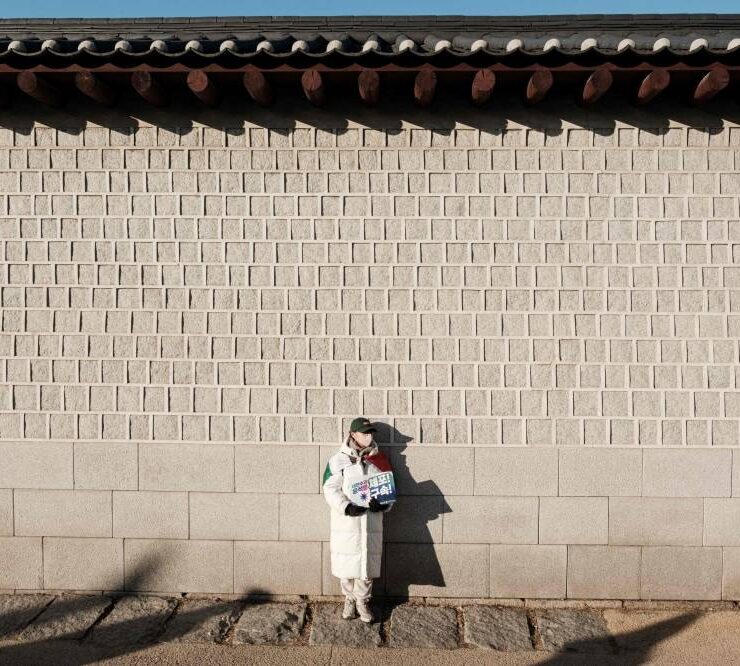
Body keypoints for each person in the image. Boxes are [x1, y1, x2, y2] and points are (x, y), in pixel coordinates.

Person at [322, 416, 394, 623]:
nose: (368, 436)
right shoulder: (338, 461)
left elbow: (388, 489)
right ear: (352, 434)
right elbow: (330, 488)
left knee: (366, 567)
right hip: (347, 523)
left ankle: (363, 601)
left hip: (370, 523)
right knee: (346, 564)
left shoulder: (379, 461)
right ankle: (349, 599)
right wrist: (345, 506)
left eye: (370, 433)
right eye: (364, 433)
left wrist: (384, 504)